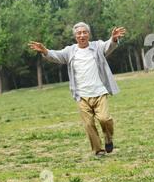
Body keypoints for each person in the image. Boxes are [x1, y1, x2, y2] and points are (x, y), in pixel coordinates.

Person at [28, 23, 126, 158]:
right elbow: (56, 55)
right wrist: (45, 51)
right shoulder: (70, 51)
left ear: (89, 34)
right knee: (89, 125)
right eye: (79, 33)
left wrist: (113, 39)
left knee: (104, 119)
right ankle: (98, 150)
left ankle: (108, 138)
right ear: (75, 36)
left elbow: (108, 46)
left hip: (99, 92)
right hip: (82, 95)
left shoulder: (97, 46)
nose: (82, 35)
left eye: (84, 32)